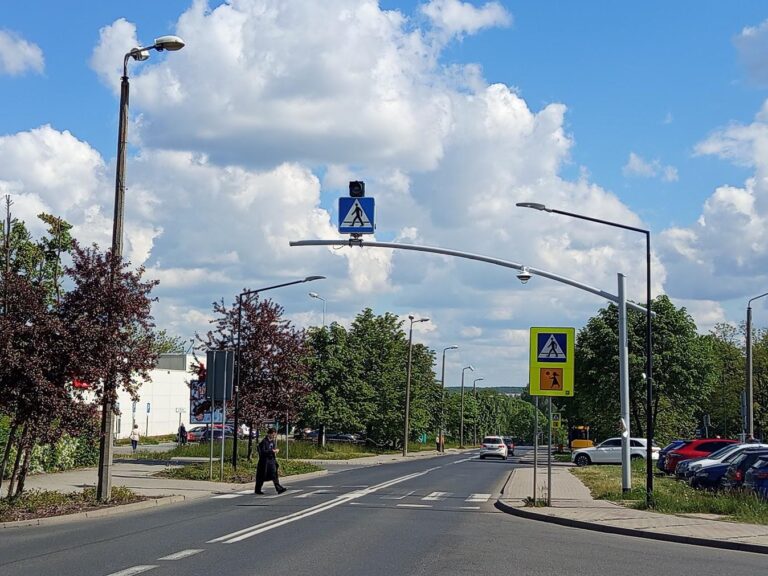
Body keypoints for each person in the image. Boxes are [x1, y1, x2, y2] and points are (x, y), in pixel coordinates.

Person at [255, 427, 286, 495]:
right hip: (264, 462)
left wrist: (275, 451)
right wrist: (271, 451)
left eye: (274, 435)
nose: (274, 436)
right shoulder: (264, 441)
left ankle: (279, 488)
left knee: (274, 474)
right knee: (262, 475)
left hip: (271, 460)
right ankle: (257, 489)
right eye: (272, 435)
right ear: (269, 434)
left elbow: (273, 449)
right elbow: (262, 451)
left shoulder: (272, 441)